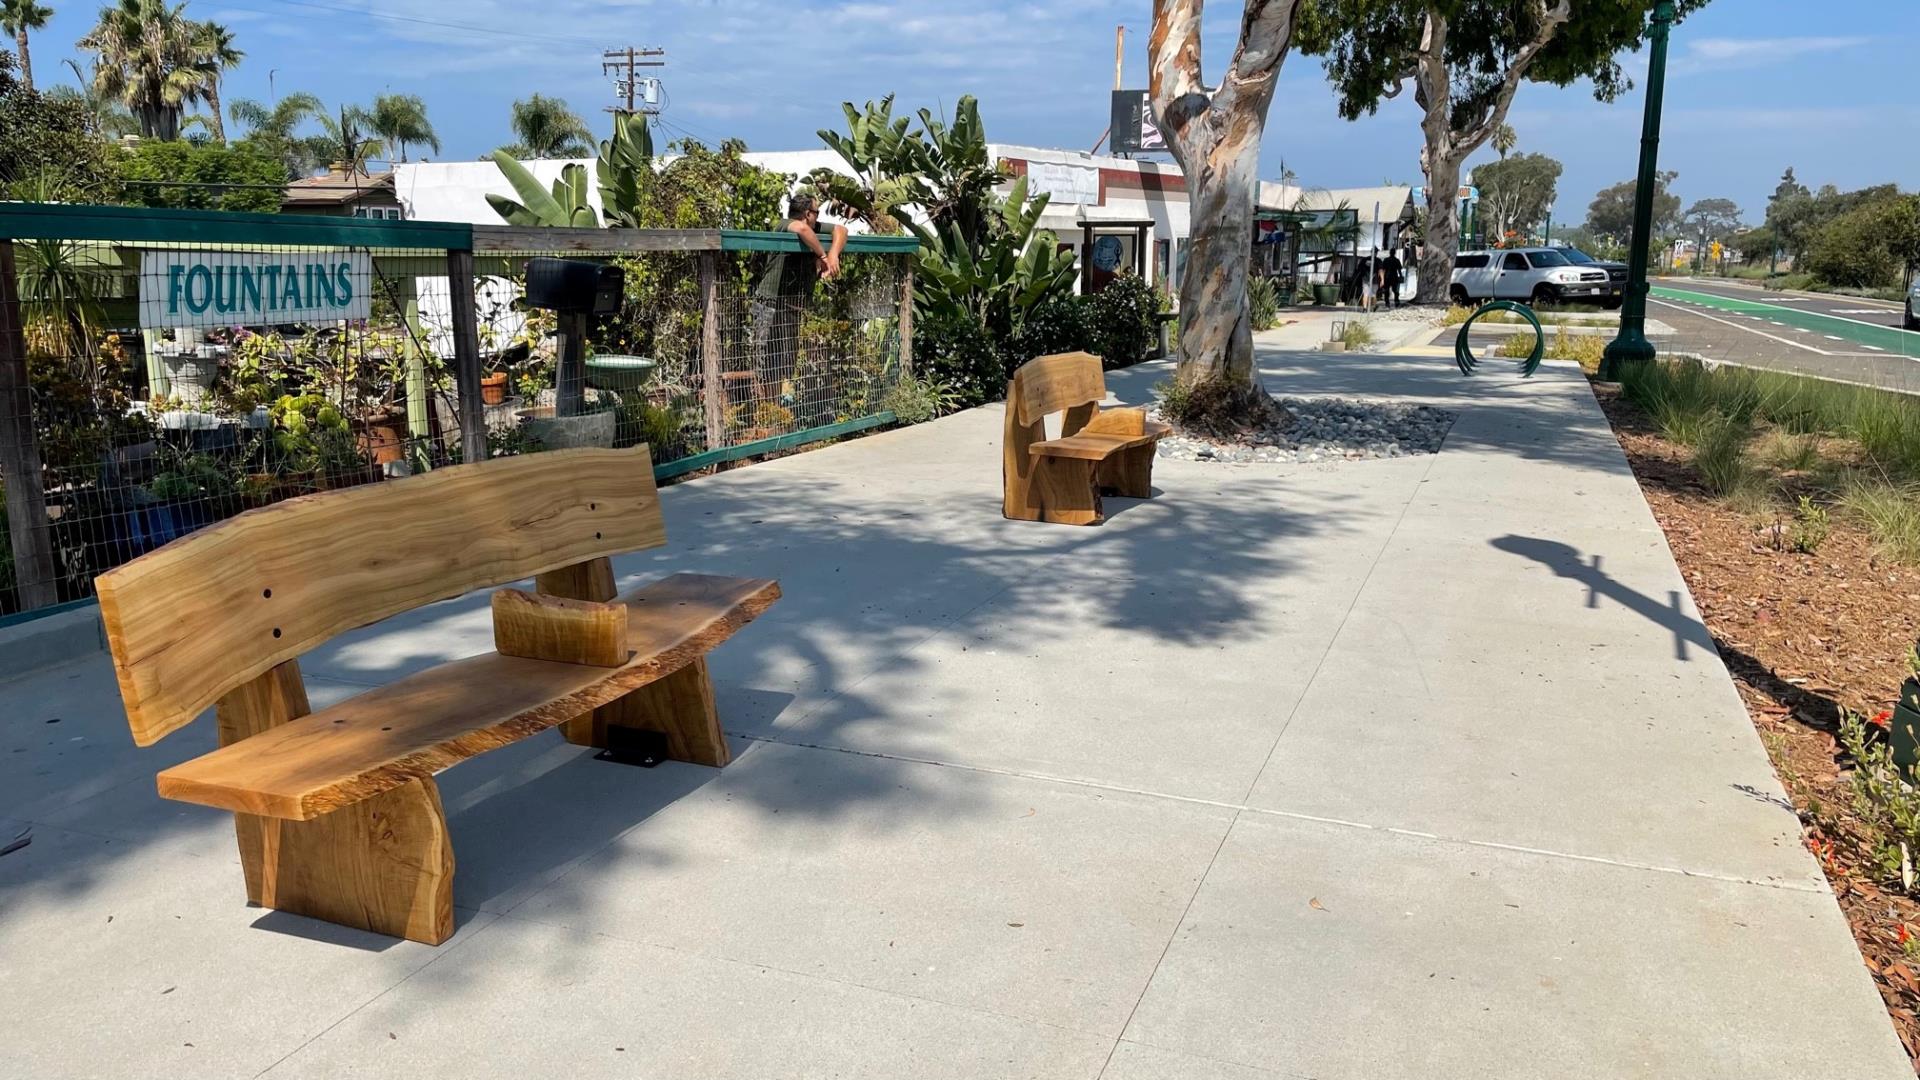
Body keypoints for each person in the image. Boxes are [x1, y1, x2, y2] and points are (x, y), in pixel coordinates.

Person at [750, 193, 847, 404]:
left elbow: (841, 229)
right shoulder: (785, 224)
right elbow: (801, 229)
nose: (818, 217)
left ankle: (777, 410)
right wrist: (822, 255)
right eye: (816, 212)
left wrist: (833, 255)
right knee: (768, 360)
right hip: (770, 303)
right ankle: (768, 411)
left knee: (786, 360)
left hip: (791, 306)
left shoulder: (814, 227)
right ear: (807, 214)